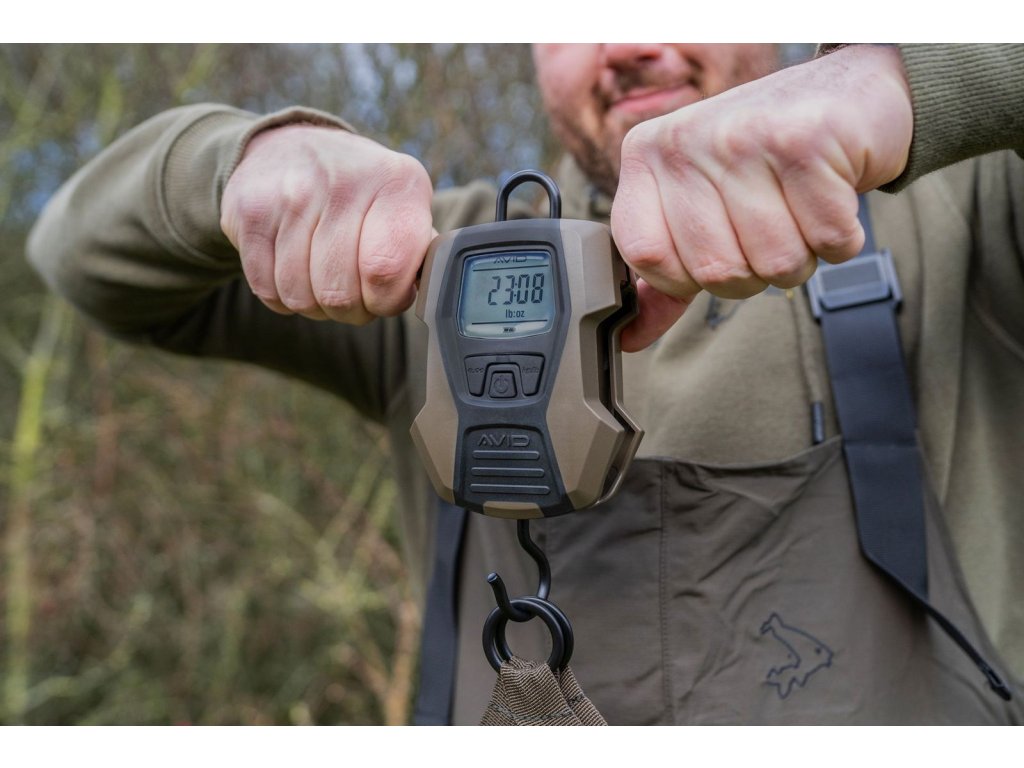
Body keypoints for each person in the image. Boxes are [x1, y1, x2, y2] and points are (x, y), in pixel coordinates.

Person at [28, 44, 1024, 724]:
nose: (631, 42)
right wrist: (238, 165)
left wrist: (904, 80)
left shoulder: (954, 212)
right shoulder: (418, 261)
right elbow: (78, 259)